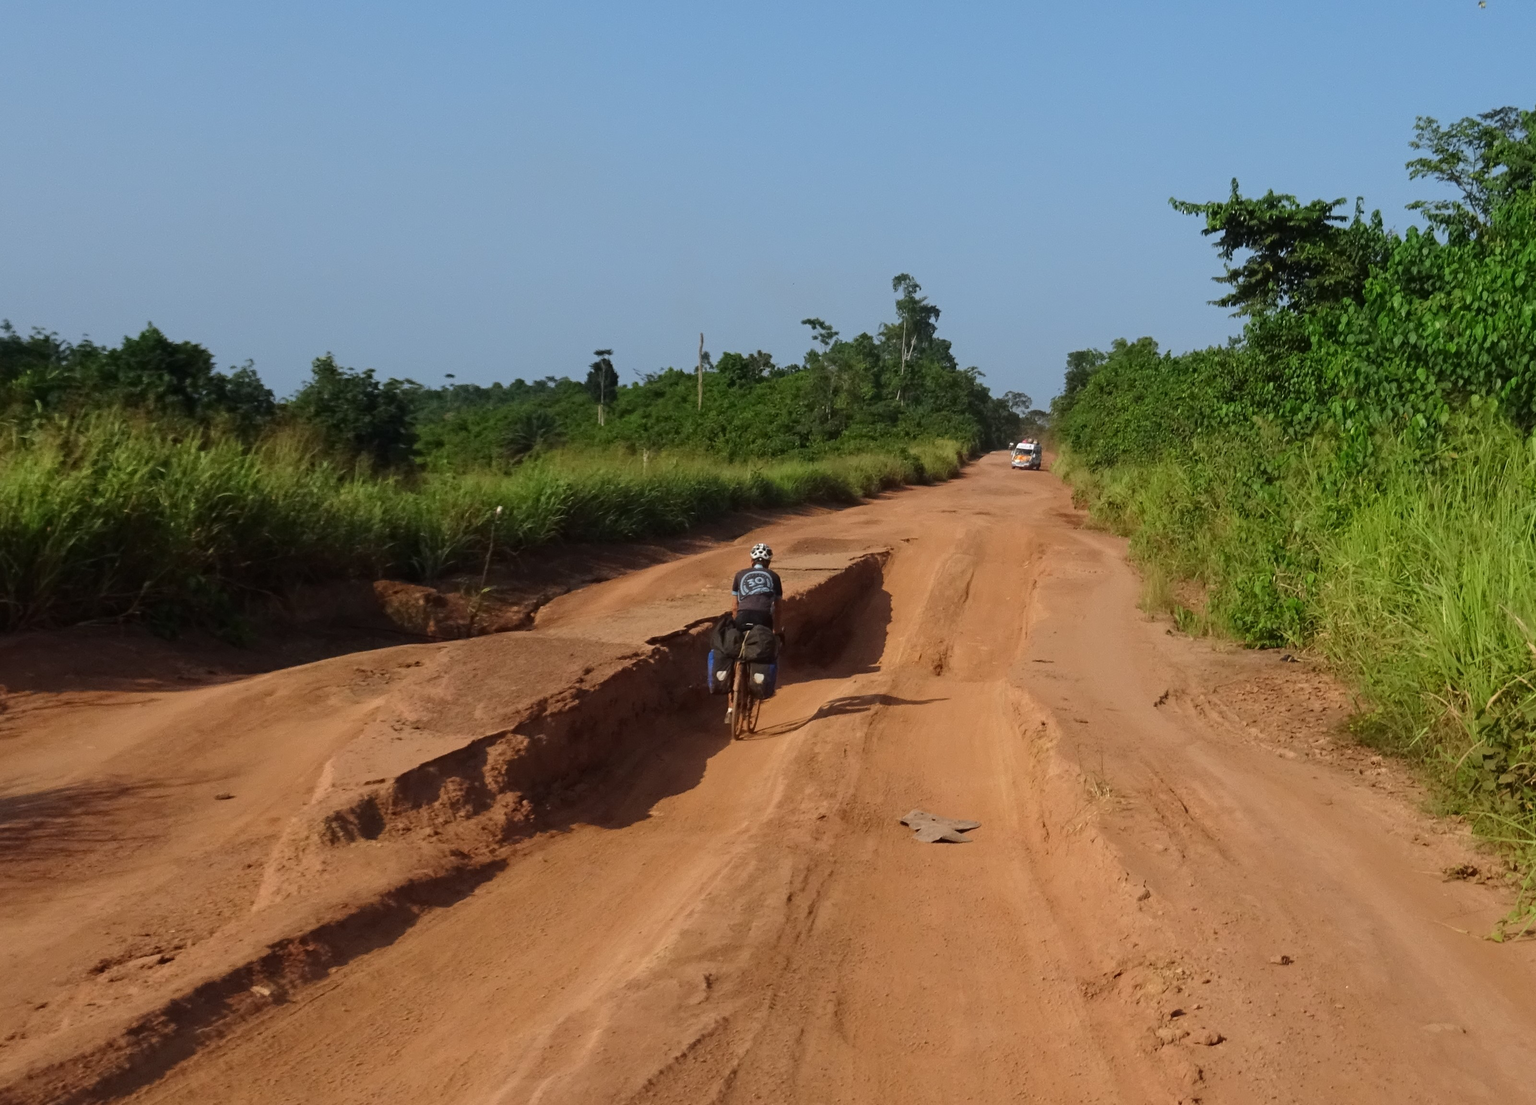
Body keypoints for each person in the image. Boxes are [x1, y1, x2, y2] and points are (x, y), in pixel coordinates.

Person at [732, 543, 783, 631]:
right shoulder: (774, 576)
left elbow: (734, 607)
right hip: (763, 617)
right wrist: (777, 631)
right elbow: (778, 608)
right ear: (769, 562)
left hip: (742, 616)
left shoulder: (739, 575)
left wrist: (736, 627)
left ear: (752, 561)